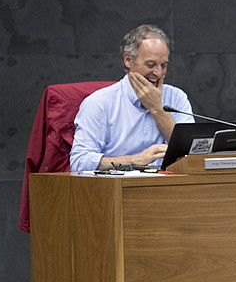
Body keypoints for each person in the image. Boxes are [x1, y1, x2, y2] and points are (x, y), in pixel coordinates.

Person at [70, 24, 195, 173]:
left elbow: (191, 155)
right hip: (117, 189)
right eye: (151, 64)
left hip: (168, 188)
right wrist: (133, 160)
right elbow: (79, 162)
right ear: (128, 60)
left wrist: (157, 109)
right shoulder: (99, 103)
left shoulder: (176, 98)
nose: (159, 73)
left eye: (164, 65)